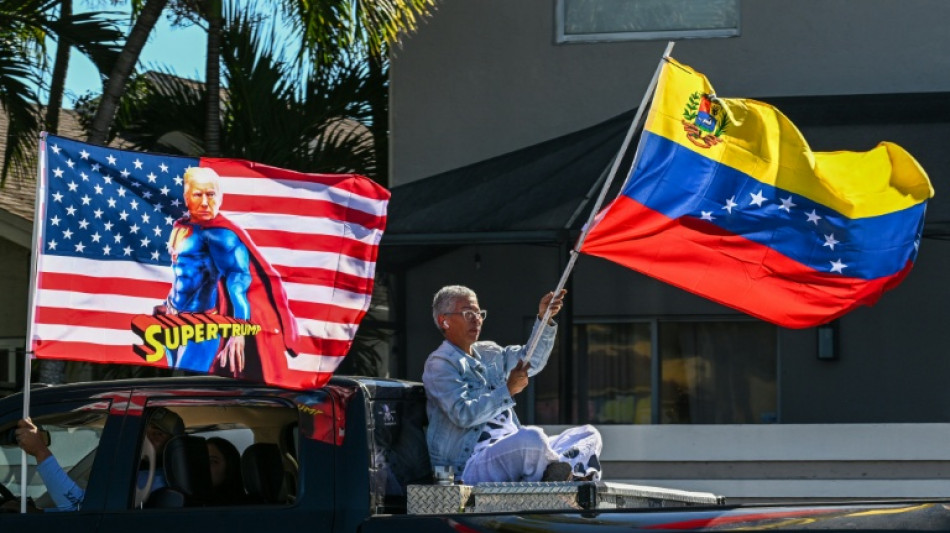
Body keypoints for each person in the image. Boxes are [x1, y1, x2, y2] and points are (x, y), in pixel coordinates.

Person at [423, 285, 603, 484]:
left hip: (511, 448)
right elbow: (463, 414)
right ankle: (565, 477)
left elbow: (530, 360)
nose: (476, 319)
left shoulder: (489, 352)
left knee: (588, 434)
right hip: (472, 463)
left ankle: (561, 475)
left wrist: (545, 319)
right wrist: (507, 390)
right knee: (532, 439)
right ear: (444, 321)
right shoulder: (440, 363)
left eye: (479, 312)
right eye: (467, 313)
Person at [157, 166, 298, 378]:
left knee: (187, 389)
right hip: (173, 320)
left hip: (202, 326)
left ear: (220, 197)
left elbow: (239, 279)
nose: (205, 202)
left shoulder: (221, 235)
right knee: (173, 385)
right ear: (186, 198)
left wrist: (239, 331)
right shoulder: (181, 226)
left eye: (211, 194)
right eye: (198, 195)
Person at [13, 407, 183, 512]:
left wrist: (40, 452)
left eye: (158, 435)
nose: (147, 438)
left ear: (174, 446)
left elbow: (78, 508)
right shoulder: (140, 473)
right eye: (145, 432)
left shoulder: (155, 481)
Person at [206, 437, 244, 505]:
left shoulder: (244, 505)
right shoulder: (186, 501)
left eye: (212, 461)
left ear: (230, 466)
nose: (203, 466)